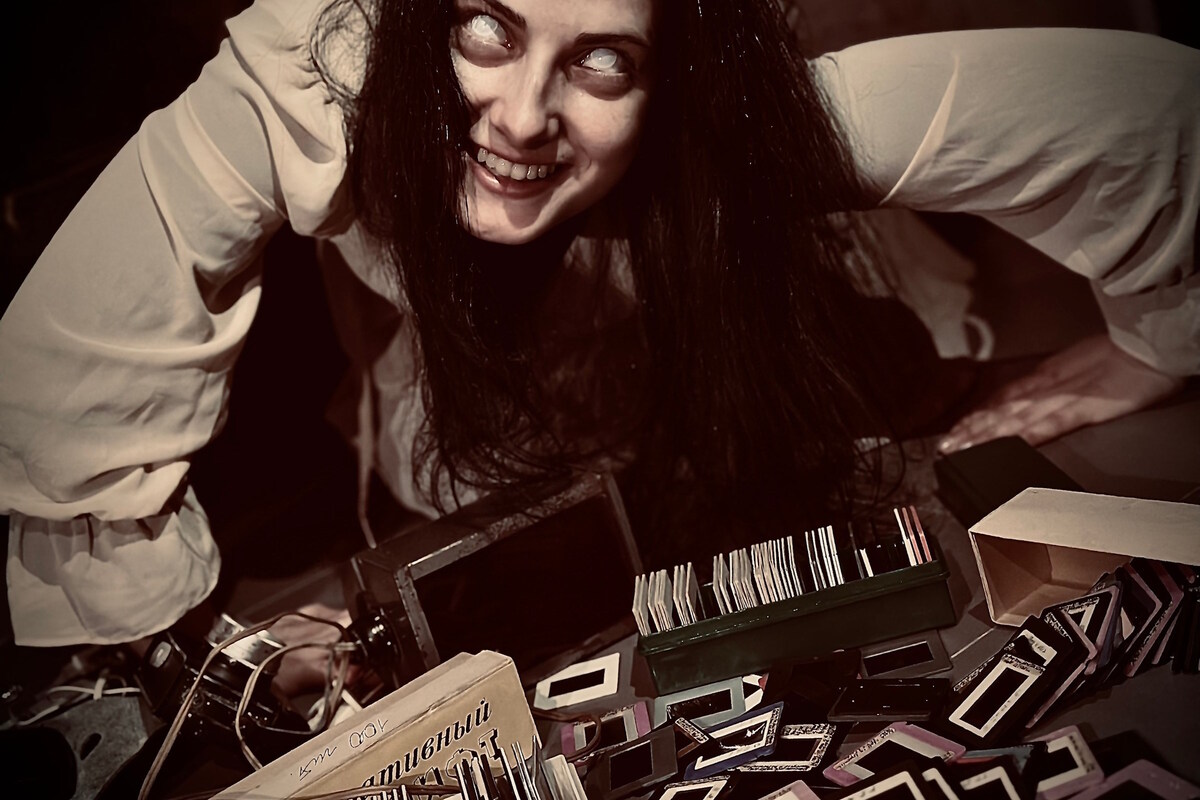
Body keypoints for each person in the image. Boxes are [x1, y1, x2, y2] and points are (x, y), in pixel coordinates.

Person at [1, 0, 1197, 650]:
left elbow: (1142, 116)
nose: (522, 117)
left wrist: (1157, 341)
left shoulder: (743, 116)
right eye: (487, 28)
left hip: (755, 389)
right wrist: (191, 643)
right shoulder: (320, 71)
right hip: (492, 447)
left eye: (605, 61)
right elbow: (69, 362)